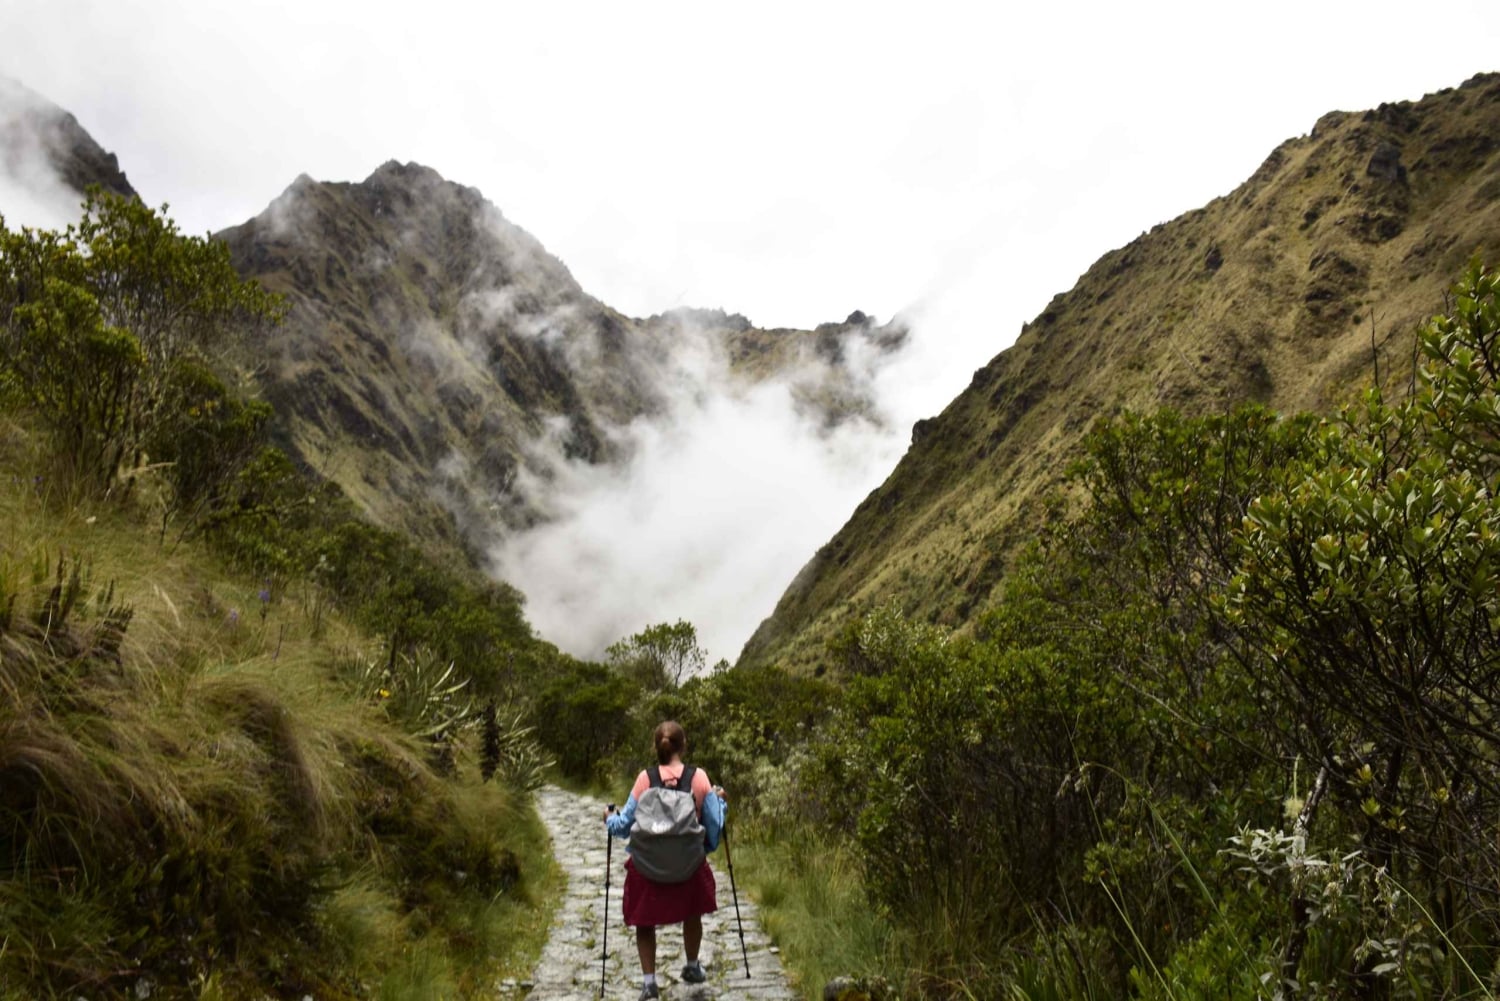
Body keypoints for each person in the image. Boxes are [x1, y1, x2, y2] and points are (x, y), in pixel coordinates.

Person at [605, 721, 727, 1000]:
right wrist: (720, 803)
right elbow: (714, 823)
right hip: (688, 866)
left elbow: (623, 827)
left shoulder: (644, 779)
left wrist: (608, 818)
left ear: (656, 748)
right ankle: (693, 966)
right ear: (683, 746)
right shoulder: (699, 778)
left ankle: (649, 982)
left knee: (644, 922)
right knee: (692, 912)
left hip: (647, 868)